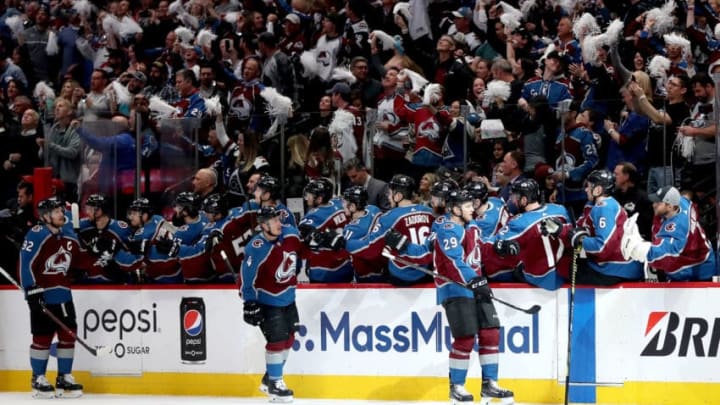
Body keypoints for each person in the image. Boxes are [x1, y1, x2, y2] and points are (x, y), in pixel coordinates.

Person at [431, 189, 514, 404]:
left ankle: (489, 384)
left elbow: (482, 247)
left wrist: (500, 247)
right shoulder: (447, 230)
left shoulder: (473, 226)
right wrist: (473, 281)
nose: (472, 209)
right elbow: (454, 263)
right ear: (455, 209)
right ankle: (457, 387)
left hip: (475, 284)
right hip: (455, 287)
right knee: (466, 337)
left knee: (490, 332)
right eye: (467, 206)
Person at [19, 197, 83, 398]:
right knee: (42, 338)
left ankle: (64, 376)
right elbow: (25, 264)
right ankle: (38, 378)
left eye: (60, 211)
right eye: (56, 212)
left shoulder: (68, 234)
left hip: (64, 294)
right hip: (43, 296)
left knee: (68, 335)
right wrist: (30, 290)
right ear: (46, 217)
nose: (61, 215)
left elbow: (78, 260)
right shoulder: (37, 234)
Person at [239, 205, 301, 403]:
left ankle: (268, 379)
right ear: (263, 226)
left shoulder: (290, 234)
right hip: (268, 302)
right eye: (273, 221)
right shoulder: (256, 247)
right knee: (276, 341)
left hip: (289, 298)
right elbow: (246, 279)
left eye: (278, 219)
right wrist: (249, 302)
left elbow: (302, 251)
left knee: (289, 339)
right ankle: (276, 382)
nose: (279, 223)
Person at [484, 179, 573, 290]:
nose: (512, 200)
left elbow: (489, 244)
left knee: (497, 264)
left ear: (524, 199)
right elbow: (572, 235)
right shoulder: (560, 210)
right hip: (563, 273)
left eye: (515, 197)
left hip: (538, 277)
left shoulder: (519, 221)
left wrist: (498, 245)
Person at [349, 174, 435, 285]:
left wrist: (346, 243)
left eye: (390, 193)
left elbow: (370, 247)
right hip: (427, 273)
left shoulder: (389, 217)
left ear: (398, 196)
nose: (388, 197)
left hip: (402, 276)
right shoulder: (429, 212)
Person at [621, 186, 718, 281]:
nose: (654, 204)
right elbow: (686, 196)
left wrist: (641, 250)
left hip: (698, 269)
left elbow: (667, 251)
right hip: (692, 258)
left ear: (670, 206)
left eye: (658, 203)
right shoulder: (682, 202)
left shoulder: (677, 227)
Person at [564, 170, 643, 285]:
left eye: (589, 186)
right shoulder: (593, 205)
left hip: (618, 268)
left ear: (598, 190)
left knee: (565, 269)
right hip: (613, 265)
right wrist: (563, 230)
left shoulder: (604, 207)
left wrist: (580, 240)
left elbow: (602, 247)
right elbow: (579, 226)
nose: (586, 189)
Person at [298, 177, 351, 282]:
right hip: (345, 266)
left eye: (310, 194)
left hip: (323, 271)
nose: (307, 197)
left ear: (319, 199)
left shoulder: (314, 216)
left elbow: (300, 241)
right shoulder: (339, 203)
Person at [75, 193, 133, 284]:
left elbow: (133, 256)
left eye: (90, 208)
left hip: (114, 283)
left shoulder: (120, 229)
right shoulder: (82, 226)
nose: (87, 212)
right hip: (88, 283)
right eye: (87, 208)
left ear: (100, 210)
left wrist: (114, 251)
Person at [338, 186, 385, 282]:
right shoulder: (373, 209)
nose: (342, 205)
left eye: (345, 202)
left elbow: (341, 255)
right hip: (385, 270)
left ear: (352, 207)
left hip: (367, 276)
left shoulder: (352, 230)